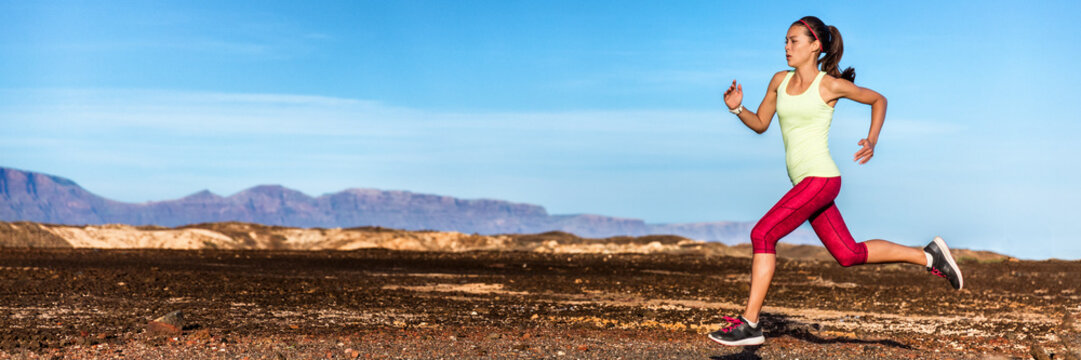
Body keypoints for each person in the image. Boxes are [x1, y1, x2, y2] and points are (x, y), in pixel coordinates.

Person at [707, 16, 963, 347]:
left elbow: (878, 99)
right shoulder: (778, 81)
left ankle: (750, 323)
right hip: (806, 184)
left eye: (793, 41)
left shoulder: (828, 85)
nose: (786, 47)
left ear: (815, 46)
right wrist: (737, 109)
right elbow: (760, 124)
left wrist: (872, 140)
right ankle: (929, 256)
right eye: (784, 41)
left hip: (821, 179)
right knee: (848, 254)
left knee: (762, 233)